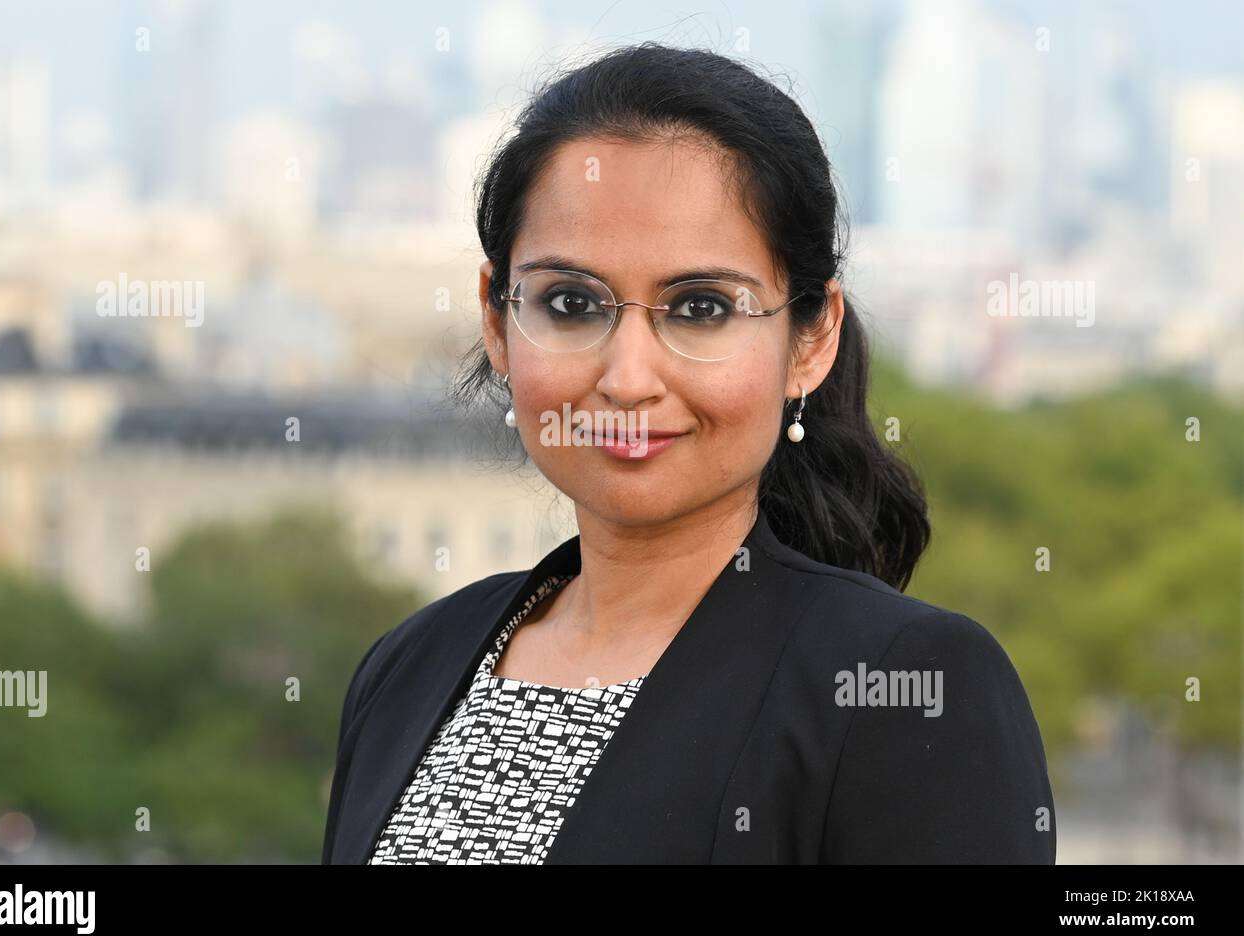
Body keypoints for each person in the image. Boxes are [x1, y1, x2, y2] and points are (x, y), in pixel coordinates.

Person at [322, 42, 1056, 865]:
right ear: (497, 321)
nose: (628, 378)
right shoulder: (412, 665)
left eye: (701, 308)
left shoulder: (906, 690)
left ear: (811, 339)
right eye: (571, 302)